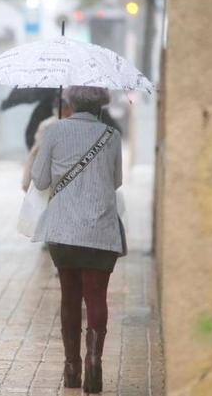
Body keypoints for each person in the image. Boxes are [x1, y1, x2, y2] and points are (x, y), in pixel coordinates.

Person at [31, 86, 125, 393]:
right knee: (96, 296)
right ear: (100, 106)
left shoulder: (54, 131)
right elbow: (116, 181)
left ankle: (71, 367)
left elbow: (40, 180)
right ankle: (94, 363)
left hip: (63, 230)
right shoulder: (112, 136)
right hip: (100, 228)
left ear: (70, 103)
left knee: (69, 296)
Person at [21, 95, 73, 192]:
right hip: (51, 177)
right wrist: (27, 180)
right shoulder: (49, 125)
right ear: (64, 109)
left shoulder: (51, 123)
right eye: (70, 107)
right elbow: (37, 152)